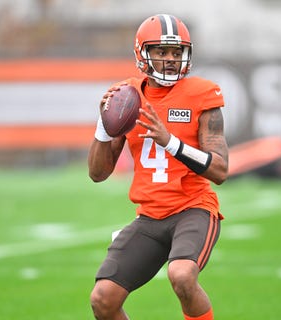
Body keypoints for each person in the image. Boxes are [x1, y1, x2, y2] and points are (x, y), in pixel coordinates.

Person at [87, 13, 228, 320]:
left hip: (193, 208)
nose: (170, 59)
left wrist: (171, 142)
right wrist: (103, 124)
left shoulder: (203, 94)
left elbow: (220, 170)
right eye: (161, 51)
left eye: (177, 52)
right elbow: (98, 174)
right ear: (142, 53)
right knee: (103, 299)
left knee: (182, 275)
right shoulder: (127, 96)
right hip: (149, 216)